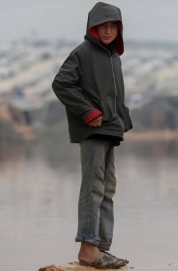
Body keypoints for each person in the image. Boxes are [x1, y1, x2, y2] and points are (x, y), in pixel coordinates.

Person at [51, 2, 133, 269]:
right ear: (93, 27)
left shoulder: (113, 57)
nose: (108, 31)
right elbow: (61, 83)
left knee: (107, 188)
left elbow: (115, 94)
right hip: (93, 127)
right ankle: (87, 249)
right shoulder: (83, 52)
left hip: (111, 127)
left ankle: (100, 248)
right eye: (103, 25)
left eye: (113, 26)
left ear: (118, 30)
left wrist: (124, 119)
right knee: (93, 187)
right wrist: (87, 111)